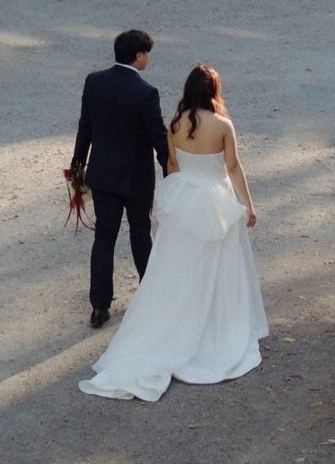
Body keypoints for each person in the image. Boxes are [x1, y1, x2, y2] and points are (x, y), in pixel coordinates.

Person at [79, 63, 267, 401]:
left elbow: (172, 166)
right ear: (214, 91)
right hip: (215, 201)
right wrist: (248, 205)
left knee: (180, 267)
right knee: (219, 266)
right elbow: (233, 167)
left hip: (184, 199)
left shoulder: (176, 124)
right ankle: (215, 325)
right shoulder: (222, 125)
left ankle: (176, 323)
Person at [72, 29, 169, 328]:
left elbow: (85, 128)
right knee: (140, 234)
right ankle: (151, 298)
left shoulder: (94, 82)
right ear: (138, 56)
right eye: (146, 53)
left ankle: (99, 307)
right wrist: (171, 170)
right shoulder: (146, 92)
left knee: (104, 239)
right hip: (137, 179)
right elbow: (158, 138)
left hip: (102, 175)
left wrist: (77, 168)